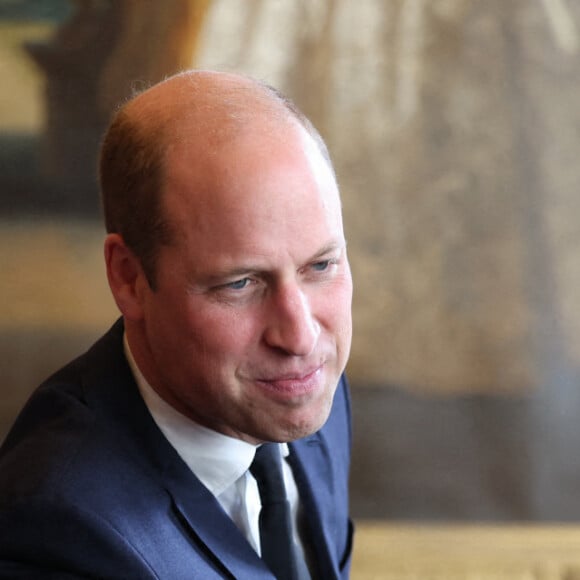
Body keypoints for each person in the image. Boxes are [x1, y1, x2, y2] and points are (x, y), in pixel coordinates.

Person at [0, 70, 353, 579]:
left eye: (320, 266)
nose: (299, 338)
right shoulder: (56, 534)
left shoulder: (308, 388)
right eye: (240, 284)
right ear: (129, 277)